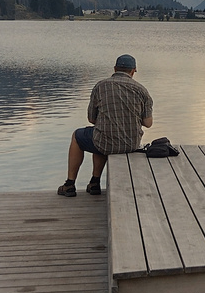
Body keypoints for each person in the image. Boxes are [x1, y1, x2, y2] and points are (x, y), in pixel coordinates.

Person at [59, 53, 153, 197]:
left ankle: (70, 185)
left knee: (79, 136)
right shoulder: (142, 91)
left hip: (105, 141)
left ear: (115, 68)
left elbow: (91, 119)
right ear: (133, 71)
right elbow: (148, 123)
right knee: (101, 134)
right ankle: (94, 183)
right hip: (131, 144)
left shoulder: (101, 86)